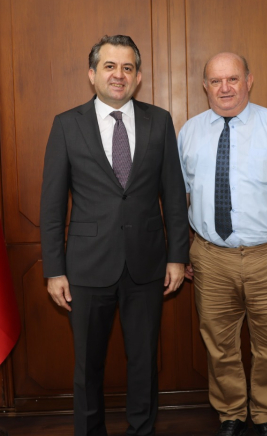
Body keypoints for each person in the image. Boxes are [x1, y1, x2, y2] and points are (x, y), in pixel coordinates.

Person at [41, 35, 190, 436]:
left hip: (147, 264)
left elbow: (174, 194)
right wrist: (54, 270)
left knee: (144, 362)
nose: (118, 75)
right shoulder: (67, 125)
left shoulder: (160, 121)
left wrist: (178, 256)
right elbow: (52, 205)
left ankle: (141, 430)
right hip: (86, 268)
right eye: (109, 66)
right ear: (92, 74)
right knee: (87, 366)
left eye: (127, 67)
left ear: (138, 77)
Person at [177, 53, 267, 436]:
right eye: (216, 81)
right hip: (210, 259)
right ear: (205, 86)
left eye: (233, 79)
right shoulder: (188, 132)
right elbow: (179, 197)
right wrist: (181, 250)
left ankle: (266, 414)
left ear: (249, 81)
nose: (225, 88)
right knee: (219, 344)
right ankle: (231, 414)